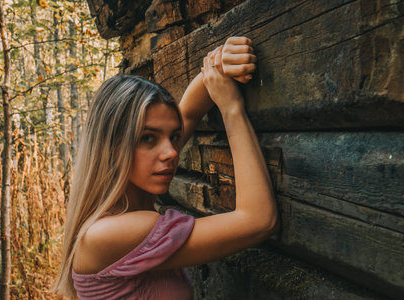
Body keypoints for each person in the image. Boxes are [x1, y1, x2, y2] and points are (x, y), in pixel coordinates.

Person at [53, 36, 278, 299]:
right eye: (148, 138)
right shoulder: (110, 233)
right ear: (111, 148)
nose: (172, 152)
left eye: (173, 137)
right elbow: (259, 221)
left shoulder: (118, 211)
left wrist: (219, 63)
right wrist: (231, 108)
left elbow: (189, 113)